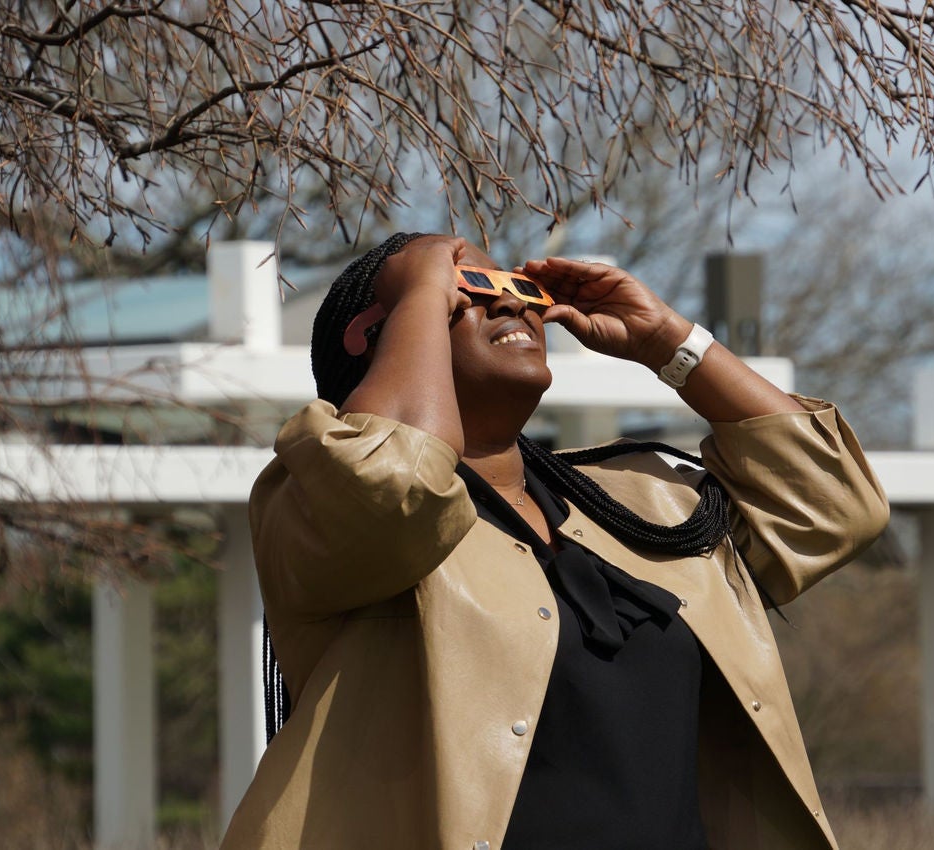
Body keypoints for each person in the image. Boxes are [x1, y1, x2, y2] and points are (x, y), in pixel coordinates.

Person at [220, 233, 889, 850]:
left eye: (521, 290)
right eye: (470, 289)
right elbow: (395, 483)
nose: (511, 303)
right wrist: (418, 285)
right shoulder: (319, 503)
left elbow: (834, 507)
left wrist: (668, 344)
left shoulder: (637, 503)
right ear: (376, 332)